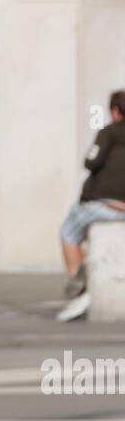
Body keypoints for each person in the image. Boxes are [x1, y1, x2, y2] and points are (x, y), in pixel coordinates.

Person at [57, 89, 125, 323]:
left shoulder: (108, 132)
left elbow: (91, 161)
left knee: (68, 230)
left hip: (107, 204)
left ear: (115, 111)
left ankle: (80, 283)